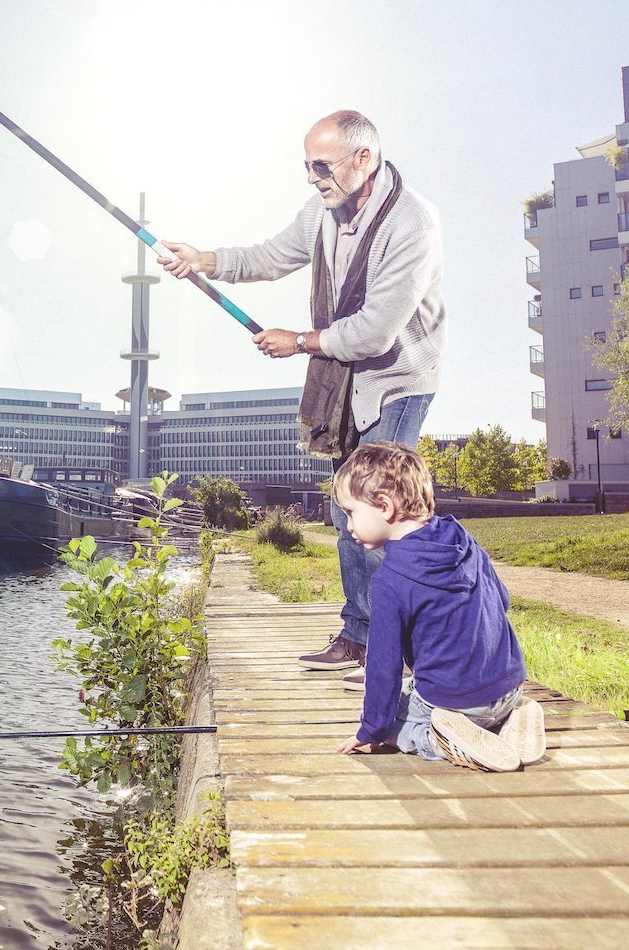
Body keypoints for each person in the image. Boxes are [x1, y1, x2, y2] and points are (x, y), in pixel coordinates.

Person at [159, 110, 445, 680]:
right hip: (344, 378)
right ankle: (360, 635)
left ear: (363, 159)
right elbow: (271, 255)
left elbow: (375, 332)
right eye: (307, 167)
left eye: (322, 166)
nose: (313, 179)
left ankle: (408, 646)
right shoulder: (324, 208)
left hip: (396, 379)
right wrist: (203, 259)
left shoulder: (412, 222)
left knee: (383, 513)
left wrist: (300, 341)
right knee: (348, 512)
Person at [329, 441, 545, 771]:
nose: (347, 525)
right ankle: (512, 718)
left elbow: (383, 669)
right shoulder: (463, 539)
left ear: (384, 507)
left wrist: (371, 730)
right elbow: (502, 599)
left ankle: (442, 741)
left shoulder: (389, 580)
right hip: (507, 687)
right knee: (414, 691)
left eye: (350, 512)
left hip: (456, 703)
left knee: (394, 720)